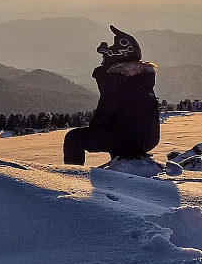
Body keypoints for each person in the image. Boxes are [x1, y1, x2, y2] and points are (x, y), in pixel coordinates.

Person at [63, 26, 160, 164]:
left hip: (131, 140)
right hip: (147, 139)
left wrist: (93, 132)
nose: (103, 61)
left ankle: (73, 180)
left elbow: (104, 114)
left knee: (74, 138)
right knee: (114, 132)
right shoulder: (139, 77)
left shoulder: (117, 80)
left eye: (105, 57)